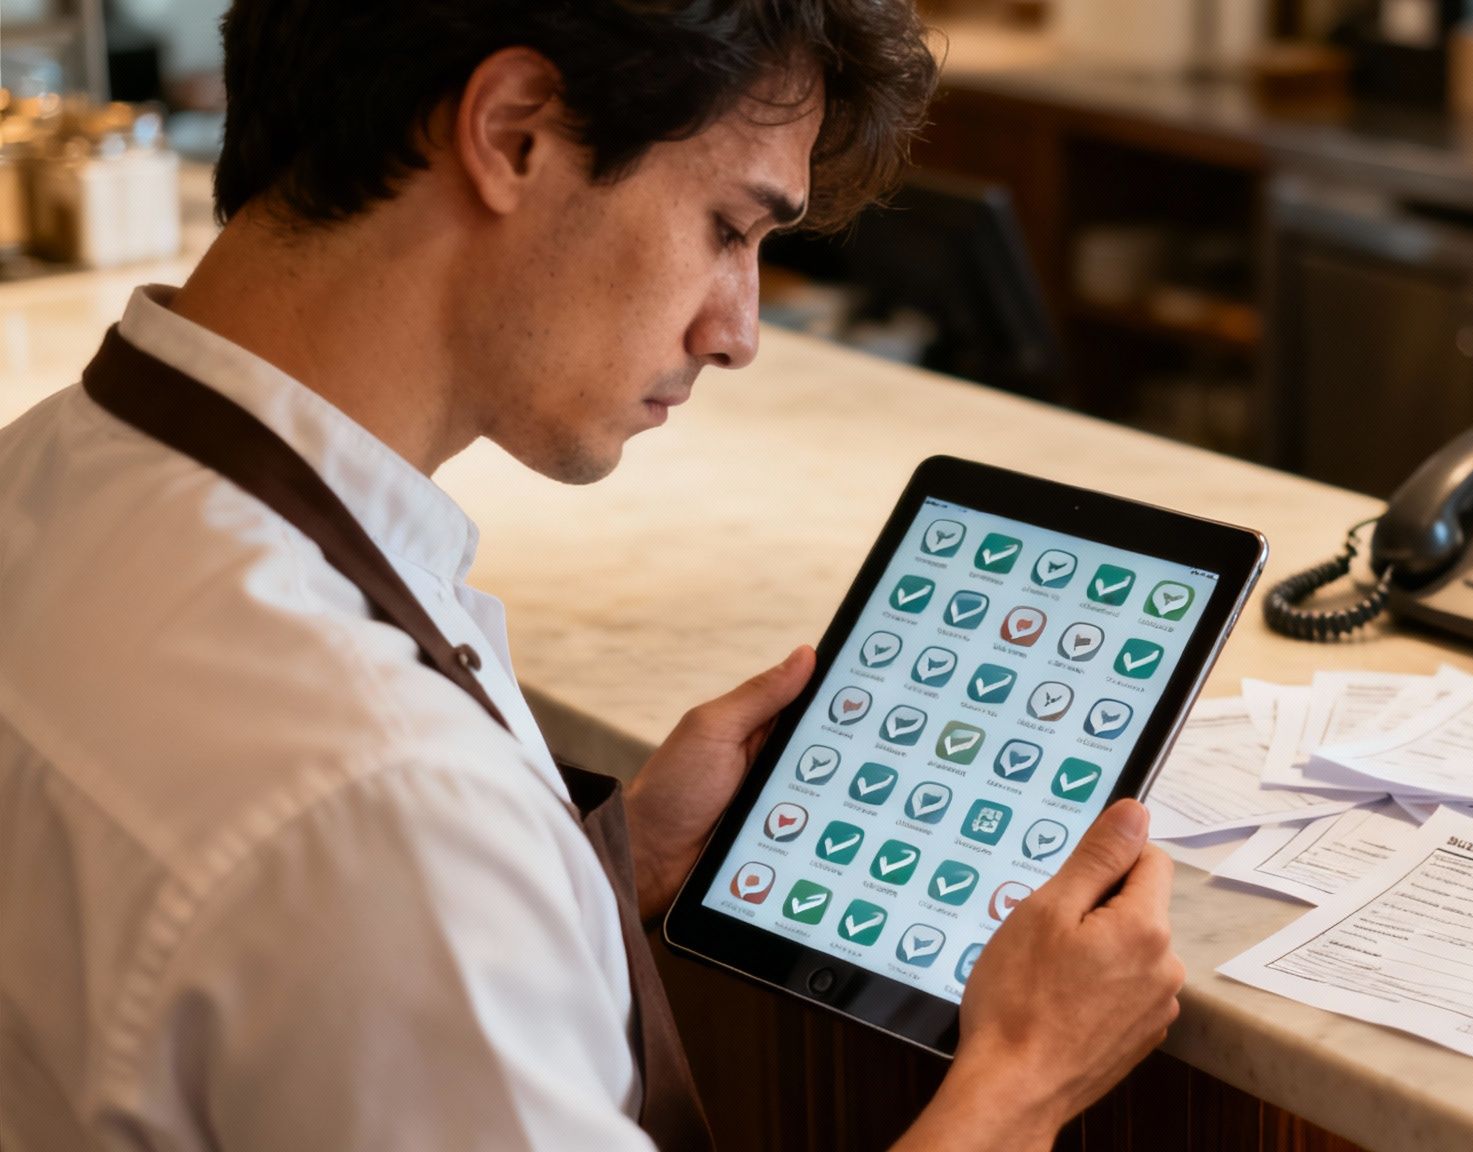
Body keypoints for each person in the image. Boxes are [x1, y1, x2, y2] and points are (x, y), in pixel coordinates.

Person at [0, 2, 1185, 1149]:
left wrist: (599, 868)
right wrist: (1021, 1087)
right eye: (729, 227)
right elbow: (368, 872)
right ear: (513, 132)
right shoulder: (380, 803)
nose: (738, 330)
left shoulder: (49, 468)